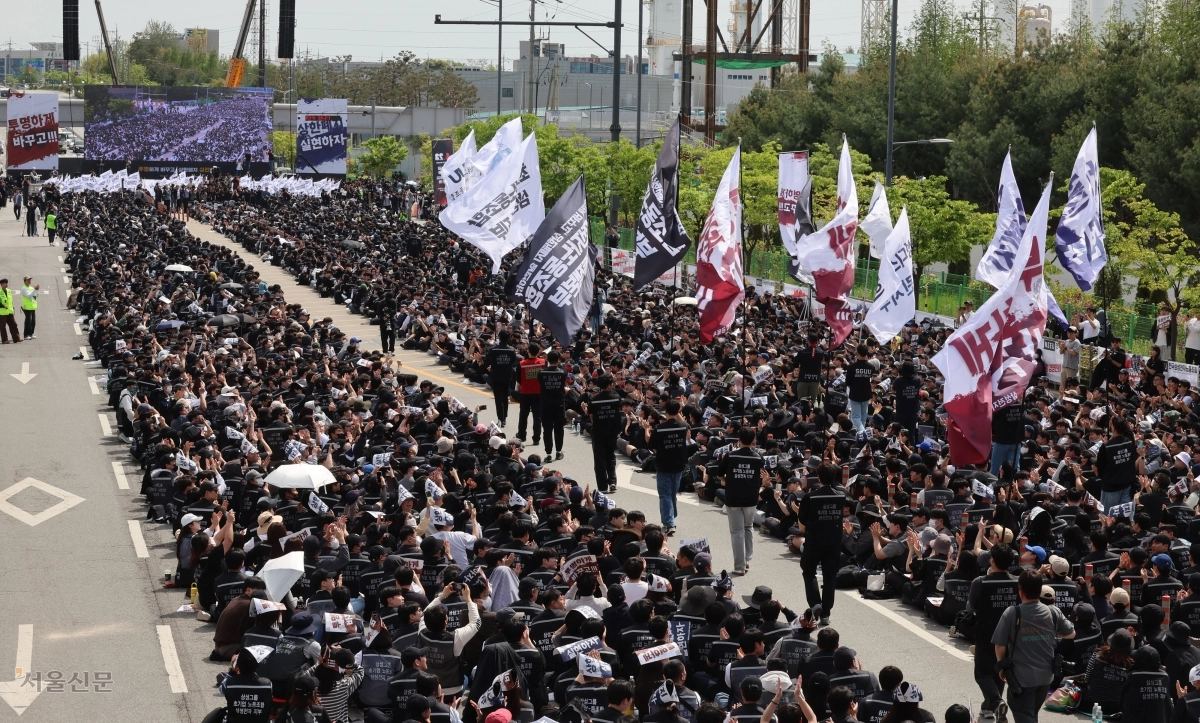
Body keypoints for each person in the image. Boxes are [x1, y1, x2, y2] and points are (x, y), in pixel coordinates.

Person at [992, 570, 1076, 723]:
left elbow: (999, 645)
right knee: (1031, 715)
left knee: (1025, 716)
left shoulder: (1012, 613)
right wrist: (1053, 632)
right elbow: (1071, 634)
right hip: (1045, 679)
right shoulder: (1053, 612)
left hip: (1020, 680)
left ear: (1020, 590)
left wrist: (1002, 667)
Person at [797, 462, 845, 627]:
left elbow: (802, 523)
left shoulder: (810, 497)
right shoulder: (841, 496)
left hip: (814, 540)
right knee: (830, 576)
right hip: (834, 542)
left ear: (819, 476)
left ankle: (815, 603)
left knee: (808, 570)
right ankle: (826, 614)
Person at [718, 426, 767, 575]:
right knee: (748, 528)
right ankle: (746, 560)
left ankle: (739, 566)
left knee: (737, 531)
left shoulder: (730, 456)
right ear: (753, 441)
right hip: (751, 499)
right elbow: (764, 475)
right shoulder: (759, 457)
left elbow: (720, 474)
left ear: (738, 440)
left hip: (733, 498)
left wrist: (727, 481)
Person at [649, 399, 690, 535]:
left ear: (665, 412)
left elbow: (653, 447)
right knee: (672, 493)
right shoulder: (683, 426)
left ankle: (669, 522)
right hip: (679, 464)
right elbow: (686, 424)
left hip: (664, 464)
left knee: (665, 494)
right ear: (678, 411)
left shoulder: (659, 428)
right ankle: (672, 516)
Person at [588, 374, 622, 493]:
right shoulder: (616, 397)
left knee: (599, 459)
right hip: (612, 431)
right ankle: (612, 482)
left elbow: (591, 417)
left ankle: (602, 486)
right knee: (610, 456)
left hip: (599, 432)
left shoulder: (594, 400)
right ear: (609, 385)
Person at [485, 330, 517, 427]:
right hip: (507, 376)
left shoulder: (494, 349)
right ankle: (504, 418)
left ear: (499, 337)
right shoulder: (512, 350)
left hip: (497, 376)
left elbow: (488, 361)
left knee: (498, 398)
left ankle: (500, 418)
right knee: (504, 397)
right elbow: (512, 362)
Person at [517, 343, 544, 446]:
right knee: (537, 417)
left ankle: (522, 436)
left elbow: (518, 379)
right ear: (538, 352)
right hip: (538, 393)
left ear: (528, 351)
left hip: (525, 393)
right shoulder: (543, 363)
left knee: (523, 415)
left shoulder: (522, 364)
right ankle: (536, 438)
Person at [0, 278, 20, 344]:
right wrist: (3, 306)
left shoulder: (8, 291)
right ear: (1, 284)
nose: (6, 284)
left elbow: (10, 301)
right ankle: (5, 340)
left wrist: (12, 309)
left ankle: (16, 338)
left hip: (9, 312)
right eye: (5, 283)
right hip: (2, 313)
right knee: (3, 327)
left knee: (14, 325)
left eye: (7, 283)